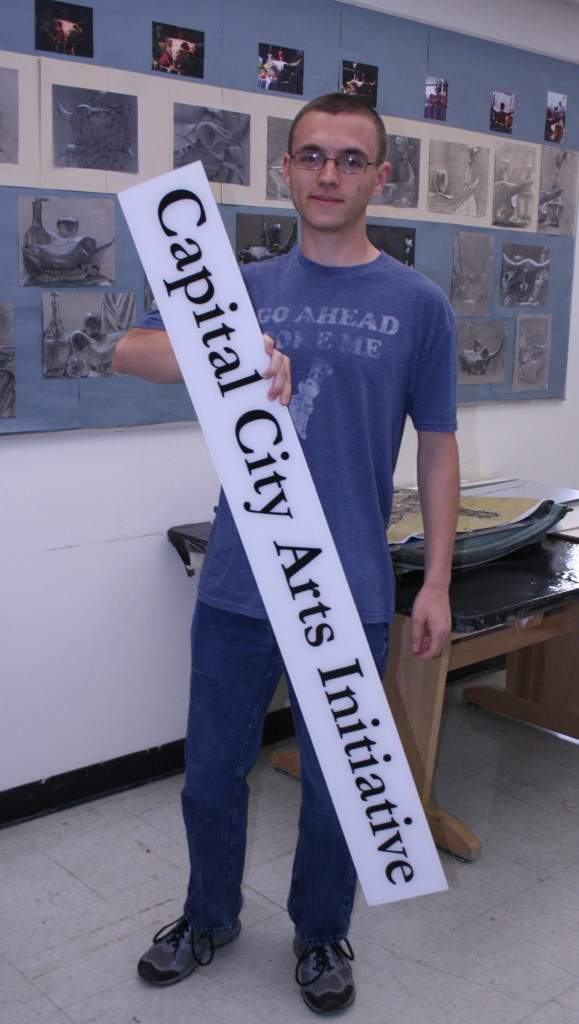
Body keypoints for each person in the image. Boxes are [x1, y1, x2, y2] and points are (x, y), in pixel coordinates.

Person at [112, 92, 459, 1014]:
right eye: (311, 156)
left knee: (340, 782)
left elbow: (436, 445)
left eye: (349, 159)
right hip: (239, 581)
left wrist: (436, 581)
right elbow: (129, 351)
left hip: (349, 586)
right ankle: (207, 917)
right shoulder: (242, 285)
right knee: (210, 773)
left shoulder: (418, 303)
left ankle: (320, 933)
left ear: (380, 177)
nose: (327, 174)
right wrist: (222, 353)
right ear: (286, 170)